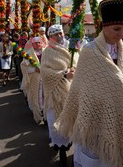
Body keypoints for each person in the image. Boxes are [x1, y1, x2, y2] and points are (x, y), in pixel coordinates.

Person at [55, 0, 123, 167]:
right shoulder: (90, 51)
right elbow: (82, 87)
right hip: (95, 116)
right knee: (97, 160)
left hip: (121, 113)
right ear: (104, 26)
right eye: (117, 29)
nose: (121, 34)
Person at [40, 24, 79, 166]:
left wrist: (73, 68)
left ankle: (68, 144)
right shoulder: (47, 52)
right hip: (55, 91)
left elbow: (74, 62)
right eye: (56, 34)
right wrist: (63, 74)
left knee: (68, 118)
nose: (60, 36)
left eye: (61, 33)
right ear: (50, 37)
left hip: (68, 90)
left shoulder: (67, 48)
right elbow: (44, 71)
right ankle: (61, 150)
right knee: (55, 119)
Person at [21, 36, 44, 123]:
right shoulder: (28, 54)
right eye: (35, 43)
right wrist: (35, 69)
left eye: (39, 43)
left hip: (44, 78)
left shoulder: (45, 52)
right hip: (34, 78)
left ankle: (44, 114)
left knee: (44, 95)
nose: (37, 44)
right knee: (35, 96)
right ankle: (37, 114)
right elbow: (24, 67)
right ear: (32, 44)